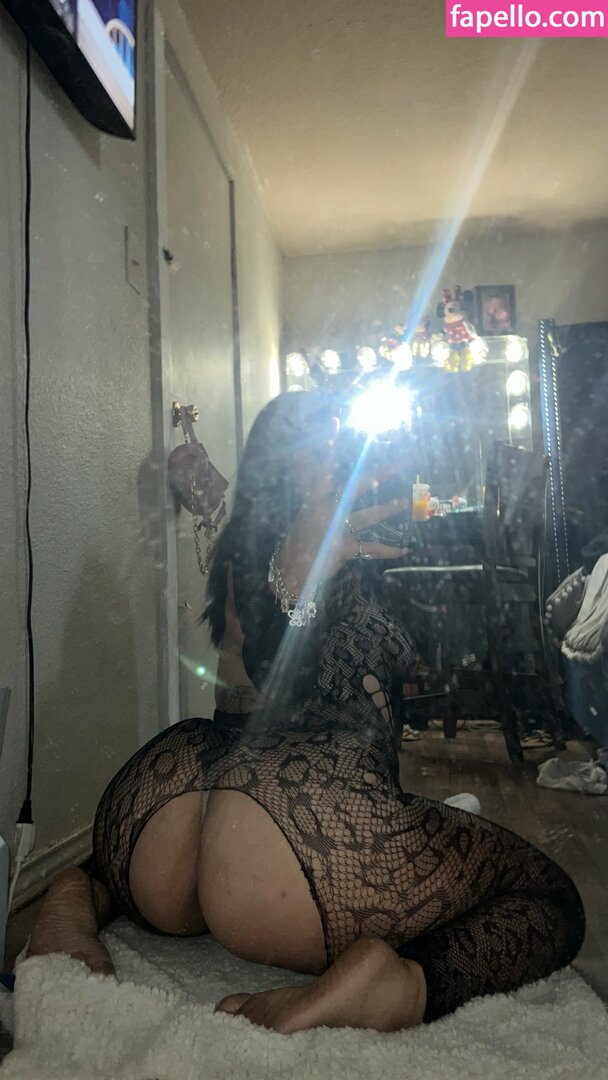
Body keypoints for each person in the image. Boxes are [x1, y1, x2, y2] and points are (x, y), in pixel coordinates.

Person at [28, 391, 585, 1035]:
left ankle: (78, 890)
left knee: (127, 858)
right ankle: (399, 983)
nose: (340, 447)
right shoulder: (316, 539)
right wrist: (295, 583)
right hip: (281, 833)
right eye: (329, 437)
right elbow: (281, 667)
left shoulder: (255, 535)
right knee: (548, 897)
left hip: (164, 807)